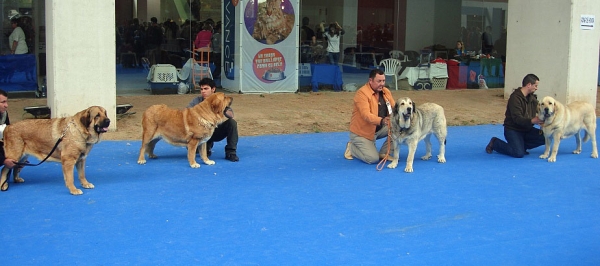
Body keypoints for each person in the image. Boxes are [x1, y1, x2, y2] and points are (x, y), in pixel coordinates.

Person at [485, 74, 545, 158]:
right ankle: (495, 143)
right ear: (529, 85)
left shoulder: (532, 98)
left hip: (526, 129)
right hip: (513, 130)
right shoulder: (515, 98)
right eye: (535, 86)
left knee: (546, 136)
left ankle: (521, 145)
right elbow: (517, 119)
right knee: (518, 153)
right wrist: (532, 121)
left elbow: (540, 109)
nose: (536, 88)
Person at [344, 69, 396, 164]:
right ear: (370, 81)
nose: (382, 84)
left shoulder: (386, 91)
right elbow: (366, 115)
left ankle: (384, 153)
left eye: (383, 81)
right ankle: (351, 147)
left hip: (378, 129)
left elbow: (394, 108)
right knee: (372, 159)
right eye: (379, 81)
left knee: (398, 129)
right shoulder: (361, 93)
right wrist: (382, 121)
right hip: (361, 133)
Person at [187, 78, 239, 162]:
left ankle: (231, 152)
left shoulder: (220, 100)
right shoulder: (196, 101)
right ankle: (206, 148)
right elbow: (187, 114)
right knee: (198, 148)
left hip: (215, 131)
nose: (203, 91)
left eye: (206, 89)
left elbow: (231, 115)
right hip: (201, 132)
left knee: (232, 123)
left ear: (213, 89)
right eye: (201, 89)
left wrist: (222, 108)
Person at [0, 89, 20, 169]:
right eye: (3, 102)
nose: (6, 105)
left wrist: (17, 155)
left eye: (6, 102)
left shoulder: (4, 114)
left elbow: (8, 136)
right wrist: (3, 160)